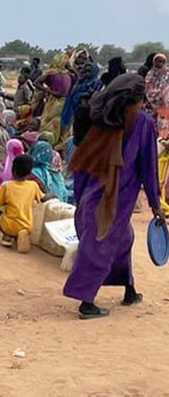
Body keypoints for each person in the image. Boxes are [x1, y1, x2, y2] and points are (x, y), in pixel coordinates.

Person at [63, 74, 165, 319]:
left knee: (123, 238)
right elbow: (148, 167)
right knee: (99, 243)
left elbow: (82, 156)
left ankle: (129, 288)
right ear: (138, 99)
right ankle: (86, 301)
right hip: (116, 197)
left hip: (93, 193)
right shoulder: (142, 123)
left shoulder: (100, 117)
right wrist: (155, 204)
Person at [0, 154, 41, 253]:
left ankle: (8, 236)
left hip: (9, 225)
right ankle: (20, 235)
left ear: (13, 170)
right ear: (29, 172)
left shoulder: (6, 186)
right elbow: (42, 198)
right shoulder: (33, 185)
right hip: (27, 225)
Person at [61, 57, 102, 142]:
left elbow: (95, 95)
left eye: (89, 71)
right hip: (74, 109)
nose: (86, 73)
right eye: (85, 71)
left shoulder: (96, 83)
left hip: (85, 112)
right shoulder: (81, 82)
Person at [145, 53, 169, 139]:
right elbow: (148, 89)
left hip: (166, 107)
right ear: (154, 62)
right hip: (152, 107)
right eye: (158, 61)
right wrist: (158, 94)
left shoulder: (167, 73)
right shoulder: (150, 74)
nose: (160, 63)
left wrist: (162, 94)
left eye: (162, 61)